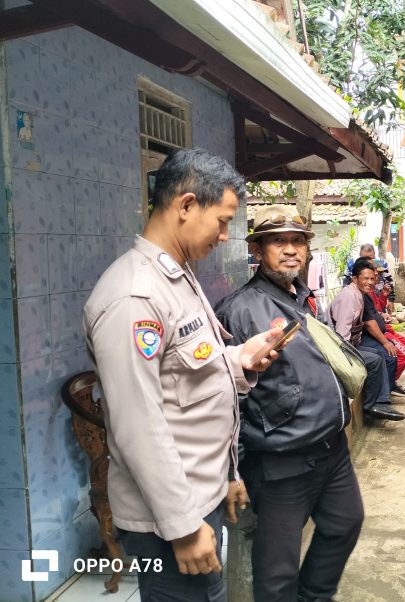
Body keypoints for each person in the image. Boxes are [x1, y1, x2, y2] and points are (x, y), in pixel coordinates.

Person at [83, 148, 281, 601]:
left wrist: (240, 360)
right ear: (187, 205)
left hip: (198, 497)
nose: (225, 235)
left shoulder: (178, 278)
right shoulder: (134, 297)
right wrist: (184, 528)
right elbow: (139, 426)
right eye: (223, 220)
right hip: (168, 520)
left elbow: (192, 379)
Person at [214, 205, 364, 602]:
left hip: (332, 450)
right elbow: (224, 395)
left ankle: (313, 596)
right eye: (278, 241)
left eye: (297, 240)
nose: (290, 249)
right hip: (281, 461)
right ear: (258, 251)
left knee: (345, 523)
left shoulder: (304, 297)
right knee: (276, 570)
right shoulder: (240, 309)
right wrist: (234, 469)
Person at [329, 258, 405, 421]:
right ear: (355, 279)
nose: (370, 282)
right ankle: (373, 404)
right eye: (365, 278)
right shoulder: (348, 297)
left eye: (372, 278)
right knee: (376, 359)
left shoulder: (359, 295)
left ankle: (383, 400)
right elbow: (342, 336)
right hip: (339, 349)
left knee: (382, 354)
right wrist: (352, 357)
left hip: (351, 345)